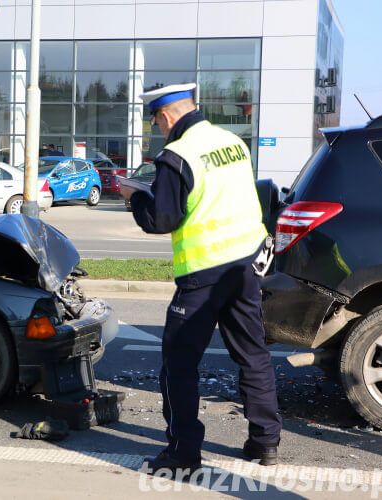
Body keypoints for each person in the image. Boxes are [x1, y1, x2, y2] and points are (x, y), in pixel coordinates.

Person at [119, 83, 281, 477]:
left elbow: (162, 219)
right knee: (252, 354)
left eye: (156, 121)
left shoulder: (176, 155)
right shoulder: (231, 141)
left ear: (166, 115)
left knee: (179, 363)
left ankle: (184, 451)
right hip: (243, 267)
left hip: (203, 274)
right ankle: (266, 442)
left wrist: (134, 198)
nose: (158, 128)